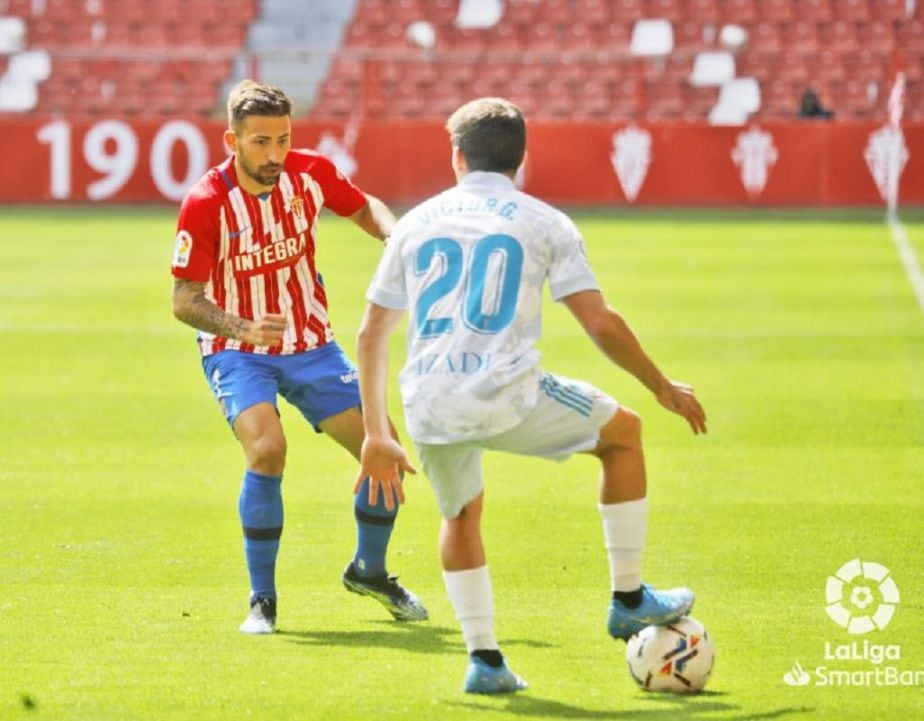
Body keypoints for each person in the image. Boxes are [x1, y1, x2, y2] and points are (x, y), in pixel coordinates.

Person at [354, 98, 707, 693]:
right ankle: (627, 598)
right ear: (522, 158)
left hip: (430, 401)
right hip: (507, 392)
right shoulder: (543, 221)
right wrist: (662, 385)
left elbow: (370, 334)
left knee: (461, 514)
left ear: (457, 156)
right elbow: (600, 323)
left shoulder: (415, 222)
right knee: (624, 435)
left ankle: (485, 662)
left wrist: (375, 434)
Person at [170, 80, 427, 635]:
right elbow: (184, 301)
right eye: (261, 142)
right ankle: (262, 601)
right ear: (230, 141)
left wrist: (395, 237)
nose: (275, 155)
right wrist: (241, 326)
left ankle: (370, 571)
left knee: (383, 455)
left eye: (283, 139)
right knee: (267, 450)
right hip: (238, 350)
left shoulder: (310, 174)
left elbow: (364, 208)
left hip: (311, 344)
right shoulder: (206, 203)